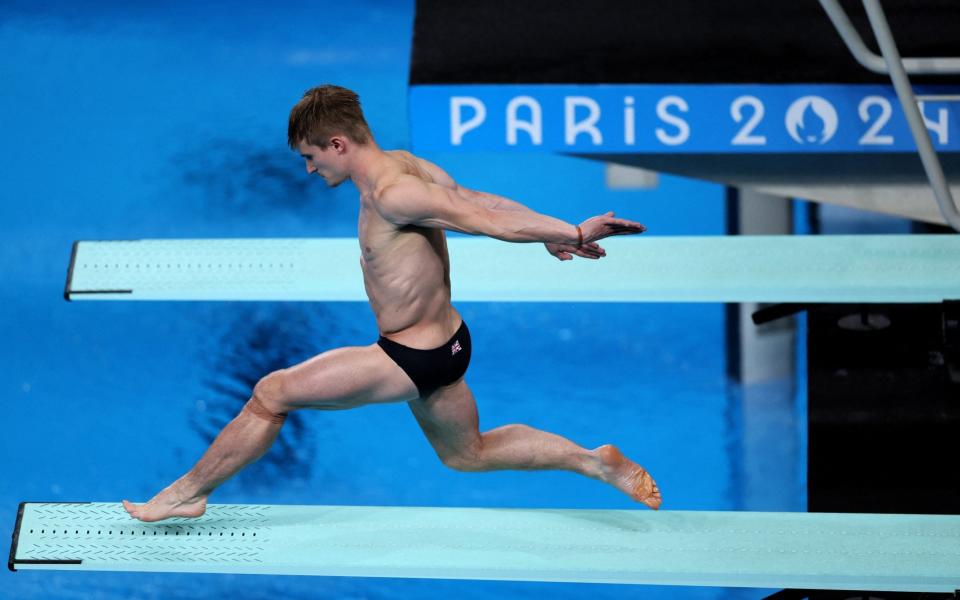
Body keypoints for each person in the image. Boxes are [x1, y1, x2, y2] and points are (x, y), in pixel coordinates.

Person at [123, 84, 661, 522]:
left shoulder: (391, 193)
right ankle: (593, 461)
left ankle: (185, 494)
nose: (310, 171)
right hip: (448, 343)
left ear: (338, 143)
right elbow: (476, 200)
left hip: (410, 356)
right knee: (465, 454)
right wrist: (551, 233)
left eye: (311, 157)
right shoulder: (410, 166)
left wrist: (569, 230)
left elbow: (486, 220)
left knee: (272, 394)